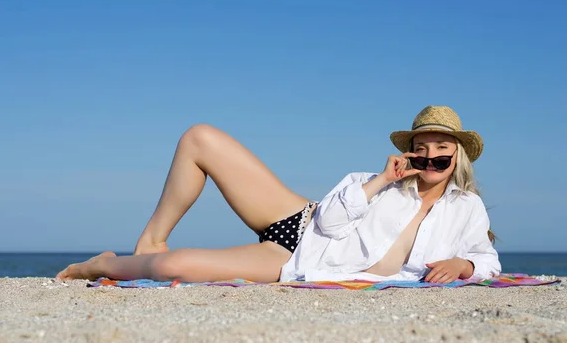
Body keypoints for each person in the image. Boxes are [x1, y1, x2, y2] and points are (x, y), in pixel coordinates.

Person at [56, 105, 501, 284]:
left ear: (457, 158)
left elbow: (488, 260)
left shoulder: (467, 208)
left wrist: (464, 264)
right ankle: (151, 238)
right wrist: (379, 182)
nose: (430, 159)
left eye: (442, 151)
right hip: (301, 221)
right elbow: (328, 222)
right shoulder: (379, 180)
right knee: (200, 137)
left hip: (293, 263)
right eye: (420, 150)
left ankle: (101, 263)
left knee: (177, 267)